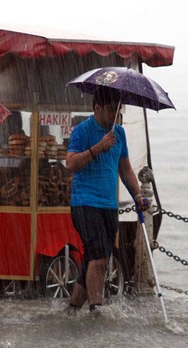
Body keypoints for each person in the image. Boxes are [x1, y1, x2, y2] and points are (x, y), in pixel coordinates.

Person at [66, 87, 150, 313]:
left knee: (95, 258)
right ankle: (97, 309)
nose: (115, 115)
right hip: (84, 202)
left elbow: (126, 169)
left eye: (118, 110)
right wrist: (98, 147)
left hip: (108, 205)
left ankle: (73, 309)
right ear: (97, 108)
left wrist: (138, 196)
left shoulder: (119, 133)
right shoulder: (82, 131)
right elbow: (71, 164)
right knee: (100, 256)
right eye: (111, 110)